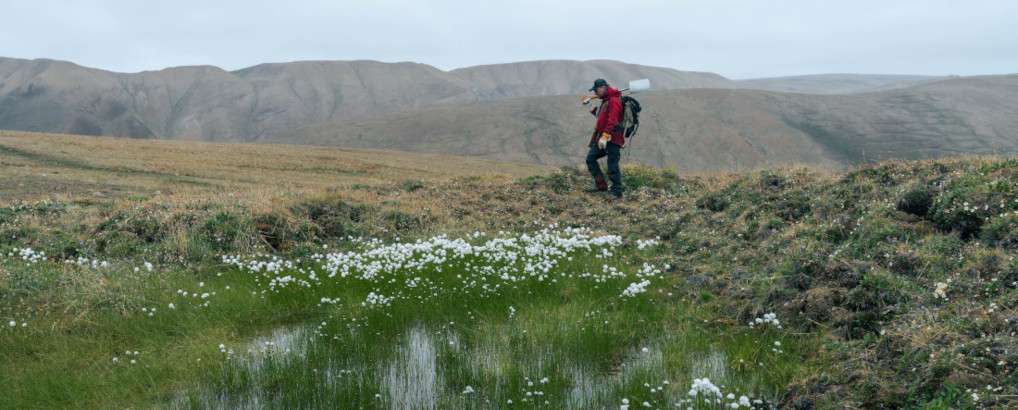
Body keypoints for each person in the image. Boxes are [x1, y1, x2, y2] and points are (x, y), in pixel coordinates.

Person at [584, 78, 624, 200]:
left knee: (612, 165)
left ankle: (616, 192)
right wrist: (590, 106)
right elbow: (601, 116)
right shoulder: (606, 100)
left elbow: (613, 121)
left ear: (602, 87)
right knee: (590, 159)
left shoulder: (614, 101)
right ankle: (600, 185)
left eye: (596, 90)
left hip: (613, 139)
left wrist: (606, 136)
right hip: (603, 138)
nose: (595, 93)